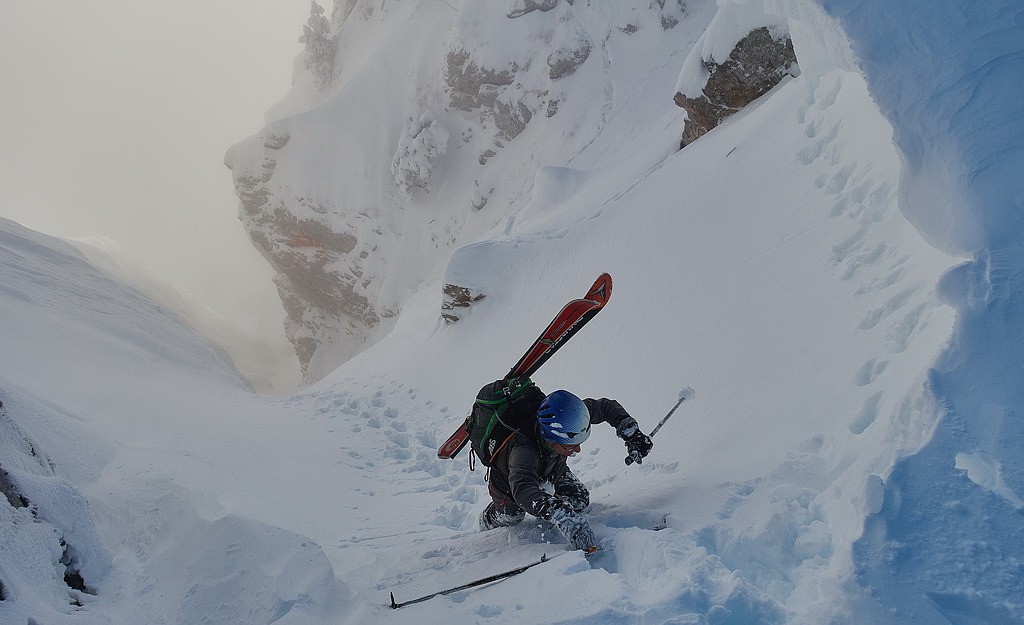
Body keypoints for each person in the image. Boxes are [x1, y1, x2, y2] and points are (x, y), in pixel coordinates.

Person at [476, 379, 653, 552]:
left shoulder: (568, 419)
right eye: (570, 445)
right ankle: (489, 517)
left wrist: (631, 433)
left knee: (580, 500)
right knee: (513, 516)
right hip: (508, 486)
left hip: (552, 470)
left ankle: (546, 500)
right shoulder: (523, 451)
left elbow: (605, 407)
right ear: (550, 438)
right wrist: (560, 514)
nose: (578, 448)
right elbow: (522, 490)